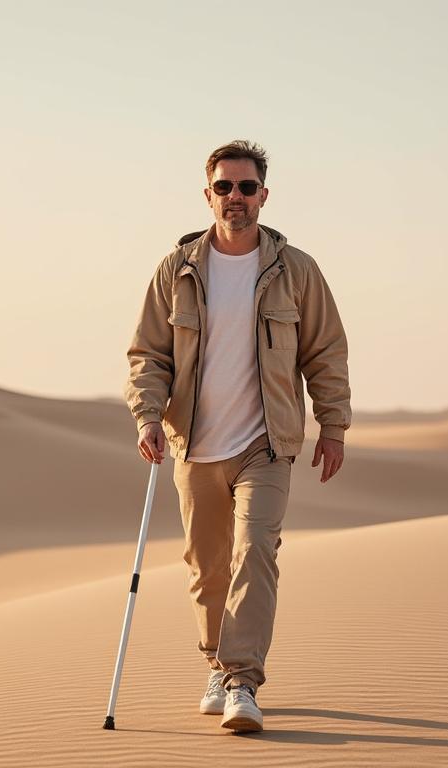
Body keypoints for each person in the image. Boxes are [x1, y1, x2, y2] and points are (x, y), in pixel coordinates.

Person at [123, 140, 352, 732]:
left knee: (256, 552)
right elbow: (148, 354)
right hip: (195, 444)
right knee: (207, 567)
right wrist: (147, 415)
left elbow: (325, 351)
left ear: (264, 196)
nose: (236, 197)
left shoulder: (295, 270)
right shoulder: (177, 270)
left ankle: (242, 680)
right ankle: (216, 665)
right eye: (224, 187)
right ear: (208, 195)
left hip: (265, 445)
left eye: (247, 188)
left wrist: (333, 425)